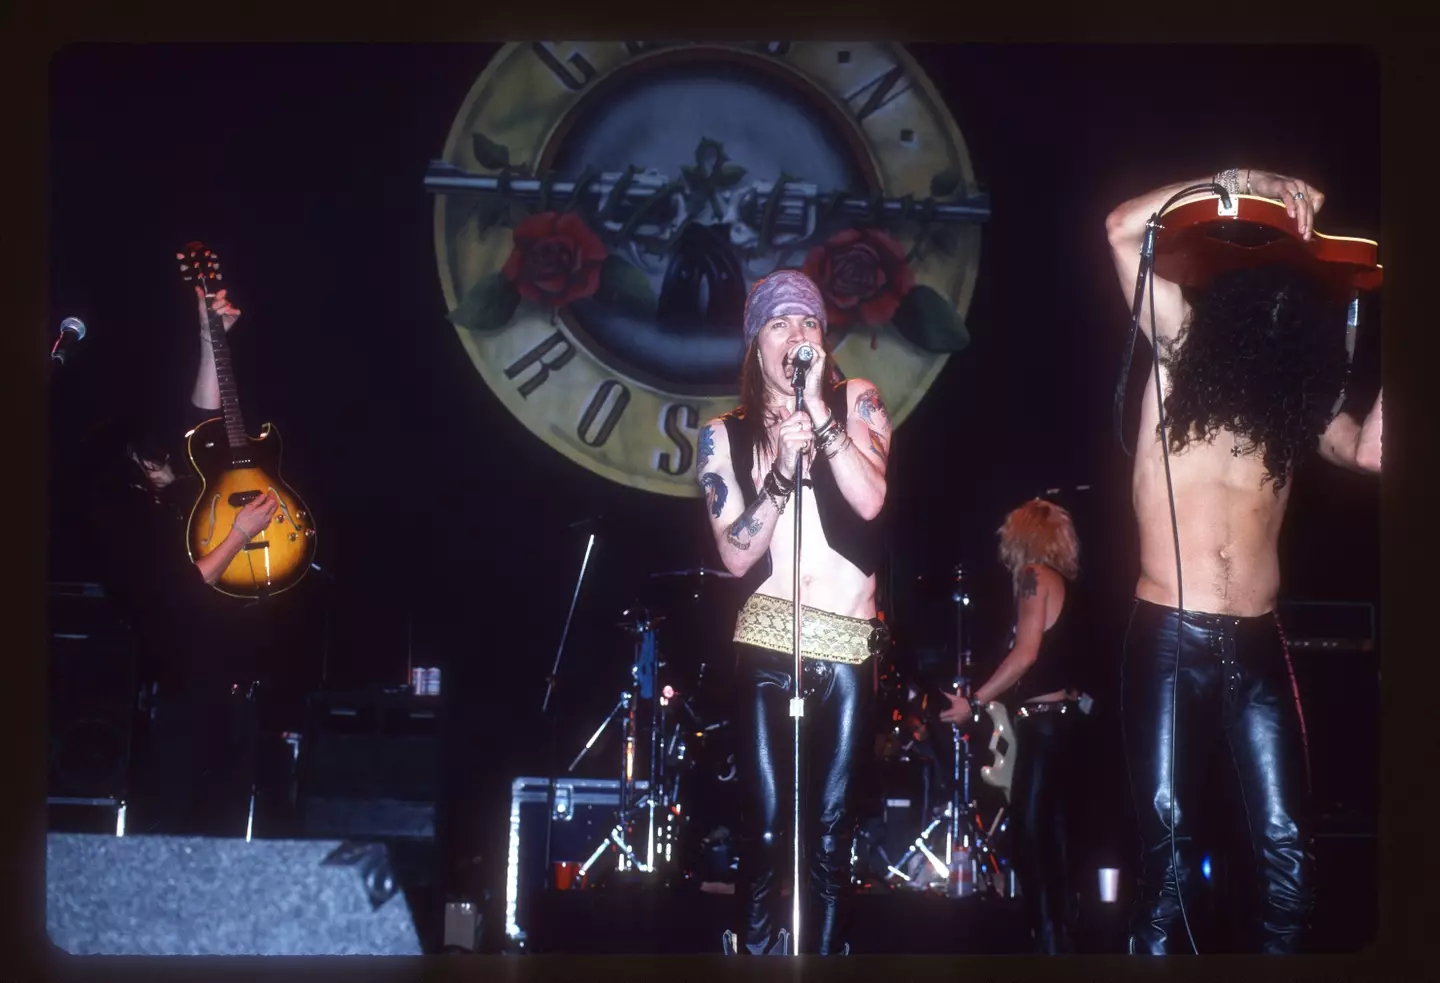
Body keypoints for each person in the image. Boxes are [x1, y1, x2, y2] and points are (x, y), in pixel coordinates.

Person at [1104, 167, 1383, 954]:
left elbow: (1371, 453)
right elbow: (1121, 228)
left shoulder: (1299, 398)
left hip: (1260, 642)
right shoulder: (1181, 341)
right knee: (1167, 855)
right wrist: (1235, 176)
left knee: (1290, 850)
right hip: (1170, 634)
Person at [697, 269, 890, 956]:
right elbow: (735, 556)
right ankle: (754, 953)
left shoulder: (856, 400)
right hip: (768, 639)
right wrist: (780, 468)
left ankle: (825, 959)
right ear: (757, 344)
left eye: (808, 322)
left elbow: (870, 499)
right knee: (767, 821)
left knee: (832, 829)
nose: (796, 334)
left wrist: (821, 420)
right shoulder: (723, 435)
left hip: (846, 640)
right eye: (779, 324)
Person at [88, 284, 278, 836]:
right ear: (140, 461)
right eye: (161, 457)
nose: (174, 461)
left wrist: (210, 336)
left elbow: (205, 416)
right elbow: (185, 587)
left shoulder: (177, 493)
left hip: (234, 687)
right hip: (181, 695)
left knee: (226, 828)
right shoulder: (126, 513)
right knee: (170, 826)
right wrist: (240, 534)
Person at [939, 498, 1084, 953]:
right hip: (1062, 725)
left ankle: (1049, 943)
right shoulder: (1061, 582)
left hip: (1045, 727)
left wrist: (974, 702)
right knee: (1052, 835)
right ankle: (1060, 938)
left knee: (1030, 834)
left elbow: (1025, 655)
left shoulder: (1033, 577)